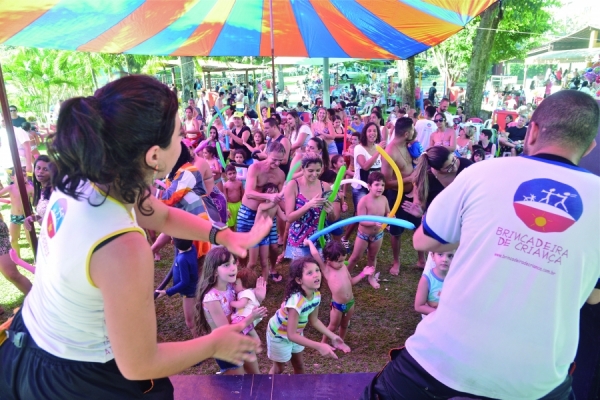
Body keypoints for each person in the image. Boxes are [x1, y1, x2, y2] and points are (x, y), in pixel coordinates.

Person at [0, 75, 278, 399]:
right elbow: (139, 363)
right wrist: (217, 342)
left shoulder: (89, 176)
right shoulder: (124, 247)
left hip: (28, 344)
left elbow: (160, 214)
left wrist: (224, 235)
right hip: (76, 378)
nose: (184, 143)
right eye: (177, 134)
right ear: (154, 157)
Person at [363, 90, 600, 400]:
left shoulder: (483, 172)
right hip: (537, 382)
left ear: (532, 131)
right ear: (590, 145)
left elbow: (423, 239)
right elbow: (594, 298)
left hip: (441, 364)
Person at [266, 256, 351, 374]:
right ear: (299, 280)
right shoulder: (295, 303)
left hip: (296, 333)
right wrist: (319, 346)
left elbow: (314, 320)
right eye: (310, 273)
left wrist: (332, 336)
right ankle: (268, 390)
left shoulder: (316, 295)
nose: (316, 274)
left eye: (317, 270)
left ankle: (300, 391)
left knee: (299, 366)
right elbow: (291, 335)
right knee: (279, 369)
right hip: (279, 336)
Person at [195, 247, 268, 376]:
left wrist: (258, 299)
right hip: (226, 347)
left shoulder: (231, 287)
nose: (233, 267)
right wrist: (251, 318)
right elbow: (226, 330)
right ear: (214, 271)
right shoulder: (211, 298)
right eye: (226, 265)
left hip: (241, 339)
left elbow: (244, 308)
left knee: (255, 376)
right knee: (237, 384)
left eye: (234, 263)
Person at [305, 239, 374, 342]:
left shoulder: (343, 267)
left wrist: (363, 273)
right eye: (339, 261)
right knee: (332, 326)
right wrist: (309, 243)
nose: (342, 263)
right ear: (328, 259)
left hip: (351, 302)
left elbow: (351, 282)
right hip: (337, 306)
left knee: (345, 325)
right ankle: (323, 343)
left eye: (343, 260)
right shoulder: (326, 269)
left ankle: (341, 342)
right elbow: (315, 254)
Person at [236, 142, 286, 281]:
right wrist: (269, 196)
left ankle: (272, 269)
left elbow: (281, 198)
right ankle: (242, 272)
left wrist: (290, 211)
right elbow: (249, 192)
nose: (276, 163)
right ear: (267, 154)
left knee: (275, 247)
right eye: (274, 159)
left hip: (268, 215)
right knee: (243, 247)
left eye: (280, 160)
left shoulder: (280, 174)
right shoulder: (255, 167)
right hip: (247, 212)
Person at [283, 153, 337, 259]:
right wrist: (308, 205)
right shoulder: (293, 185)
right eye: (311, 171)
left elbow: (332, 219)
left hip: (321, 237)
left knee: (320, 272)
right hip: (299, 238)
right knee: (299, 272)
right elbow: (289, 217)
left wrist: (330, 211)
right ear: (303, 169)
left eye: (318, 170)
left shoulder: (325, 187)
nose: (315, 174)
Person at [346, 172, 389, 289]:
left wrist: (390, 220)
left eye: (382, 185)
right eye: (377, 184)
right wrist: (374, 222)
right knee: (355, 256)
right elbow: (361, 220)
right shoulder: (363, 200)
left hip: (378, 234)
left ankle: (371, 276)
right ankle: (344, 275)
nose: (380, 187)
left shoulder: (384, 199)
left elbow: (388, 213)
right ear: (369, 186)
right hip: (363, 235)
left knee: (372, 257)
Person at [155, 238, 199, 336]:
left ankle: (198, 339)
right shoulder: (192, 248)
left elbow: (184, 282)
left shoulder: (182, 259)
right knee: (196, 313)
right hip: (194, 287)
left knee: (190, 322)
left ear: (172, 242)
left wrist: (167, 292)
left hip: (188, 293)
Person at [0, 168, 33, 258]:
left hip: (26, 216)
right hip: (14, 217)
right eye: (19, 175)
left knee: (30, 239)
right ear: (12, 177)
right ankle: (18, 259)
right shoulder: (10, 188)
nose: (22, 177)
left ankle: (37, 258)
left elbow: (36, 201)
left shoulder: (29, 188)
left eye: (24, 175)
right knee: (13, 240)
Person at [414, 251, 453, 317]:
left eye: (450, 256)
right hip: (432, 321)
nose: (445, 259)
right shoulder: (426, 279)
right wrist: (442, 314)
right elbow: (419, 306)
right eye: (440, 254)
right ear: (432, 256)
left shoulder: (457, 276)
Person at [230, 268, 263, 342]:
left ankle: (256, 340)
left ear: (245, 284)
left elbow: (241, 304)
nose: (234, 285)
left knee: (236, 327)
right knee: (249, 329)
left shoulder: (246, 293)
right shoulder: (251, 291)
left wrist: (232, 303)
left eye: (236, 284)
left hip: (246, 316)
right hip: (248, 315)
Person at [23, 155, 55, 232]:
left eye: (45, 169)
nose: (40, 171)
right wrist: (35, 217)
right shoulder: (42, 190)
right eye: (38, 168)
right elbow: (46, 214)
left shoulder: (53, 190)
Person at [224, 164, 243, 229]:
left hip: (239, 204)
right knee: (231, 224)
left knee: (240, 222)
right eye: (230, 174)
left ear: (236, 172)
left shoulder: (239, 183)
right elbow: (225, 198)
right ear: (226, 175)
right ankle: (231, 236)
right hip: (230, 205)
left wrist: (243, 205)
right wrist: (227, 209)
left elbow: (242, 194)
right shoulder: (225, 185)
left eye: (234, 173)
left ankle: (239, 235)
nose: (232, 175)